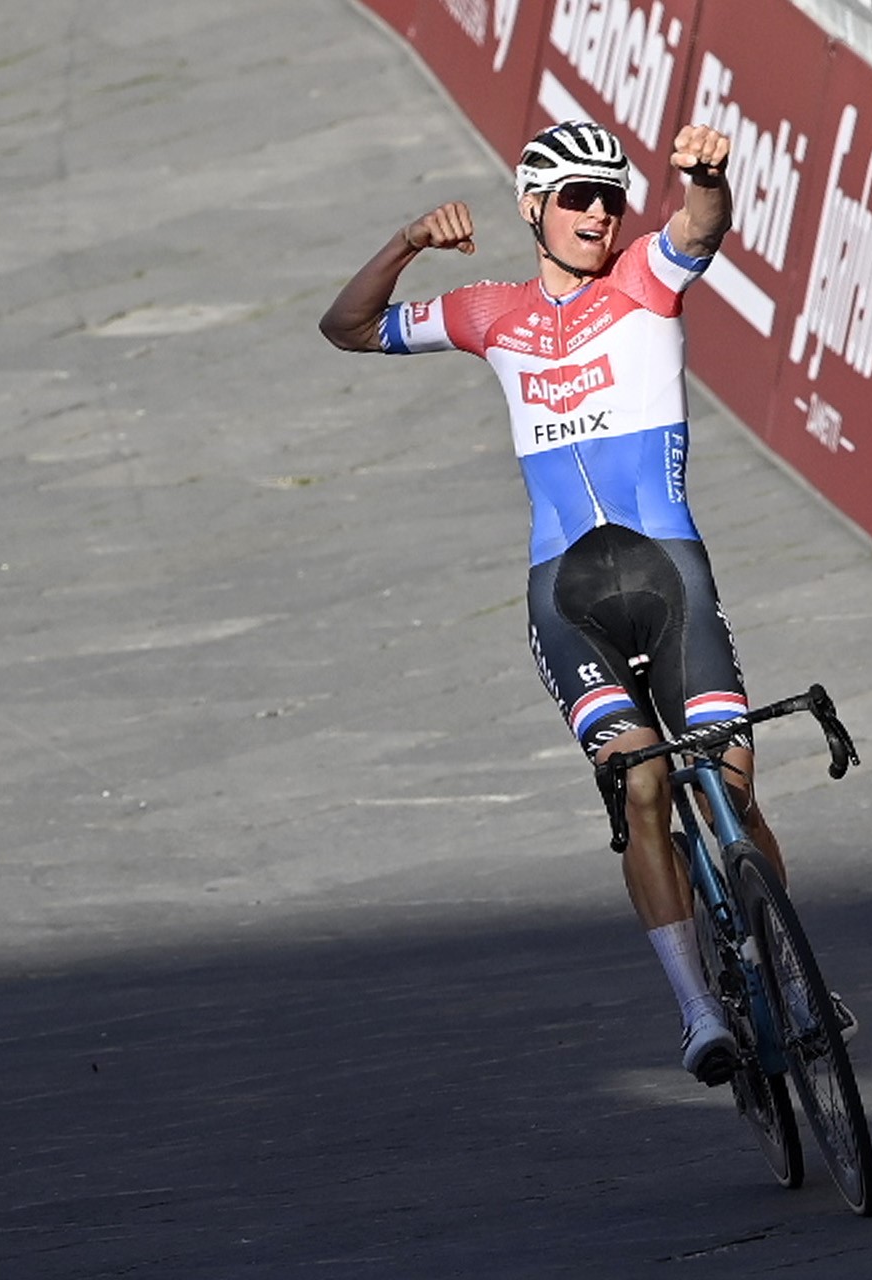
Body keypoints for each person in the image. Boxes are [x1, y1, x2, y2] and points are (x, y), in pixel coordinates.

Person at [319, 121, 811, 1084]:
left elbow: (698, 229)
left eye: (611, 197)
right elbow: (346, 327)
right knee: (643, 787)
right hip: (567, 595)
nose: (599, 212)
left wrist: (704, 178)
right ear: (533, 208)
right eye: (578, 197)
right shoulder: (483, 311)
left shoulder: (646, 280)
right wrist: (408, 241)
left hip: (672, 577)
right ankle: (697, 1010)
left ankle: (790, 979)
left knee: (733, 787)